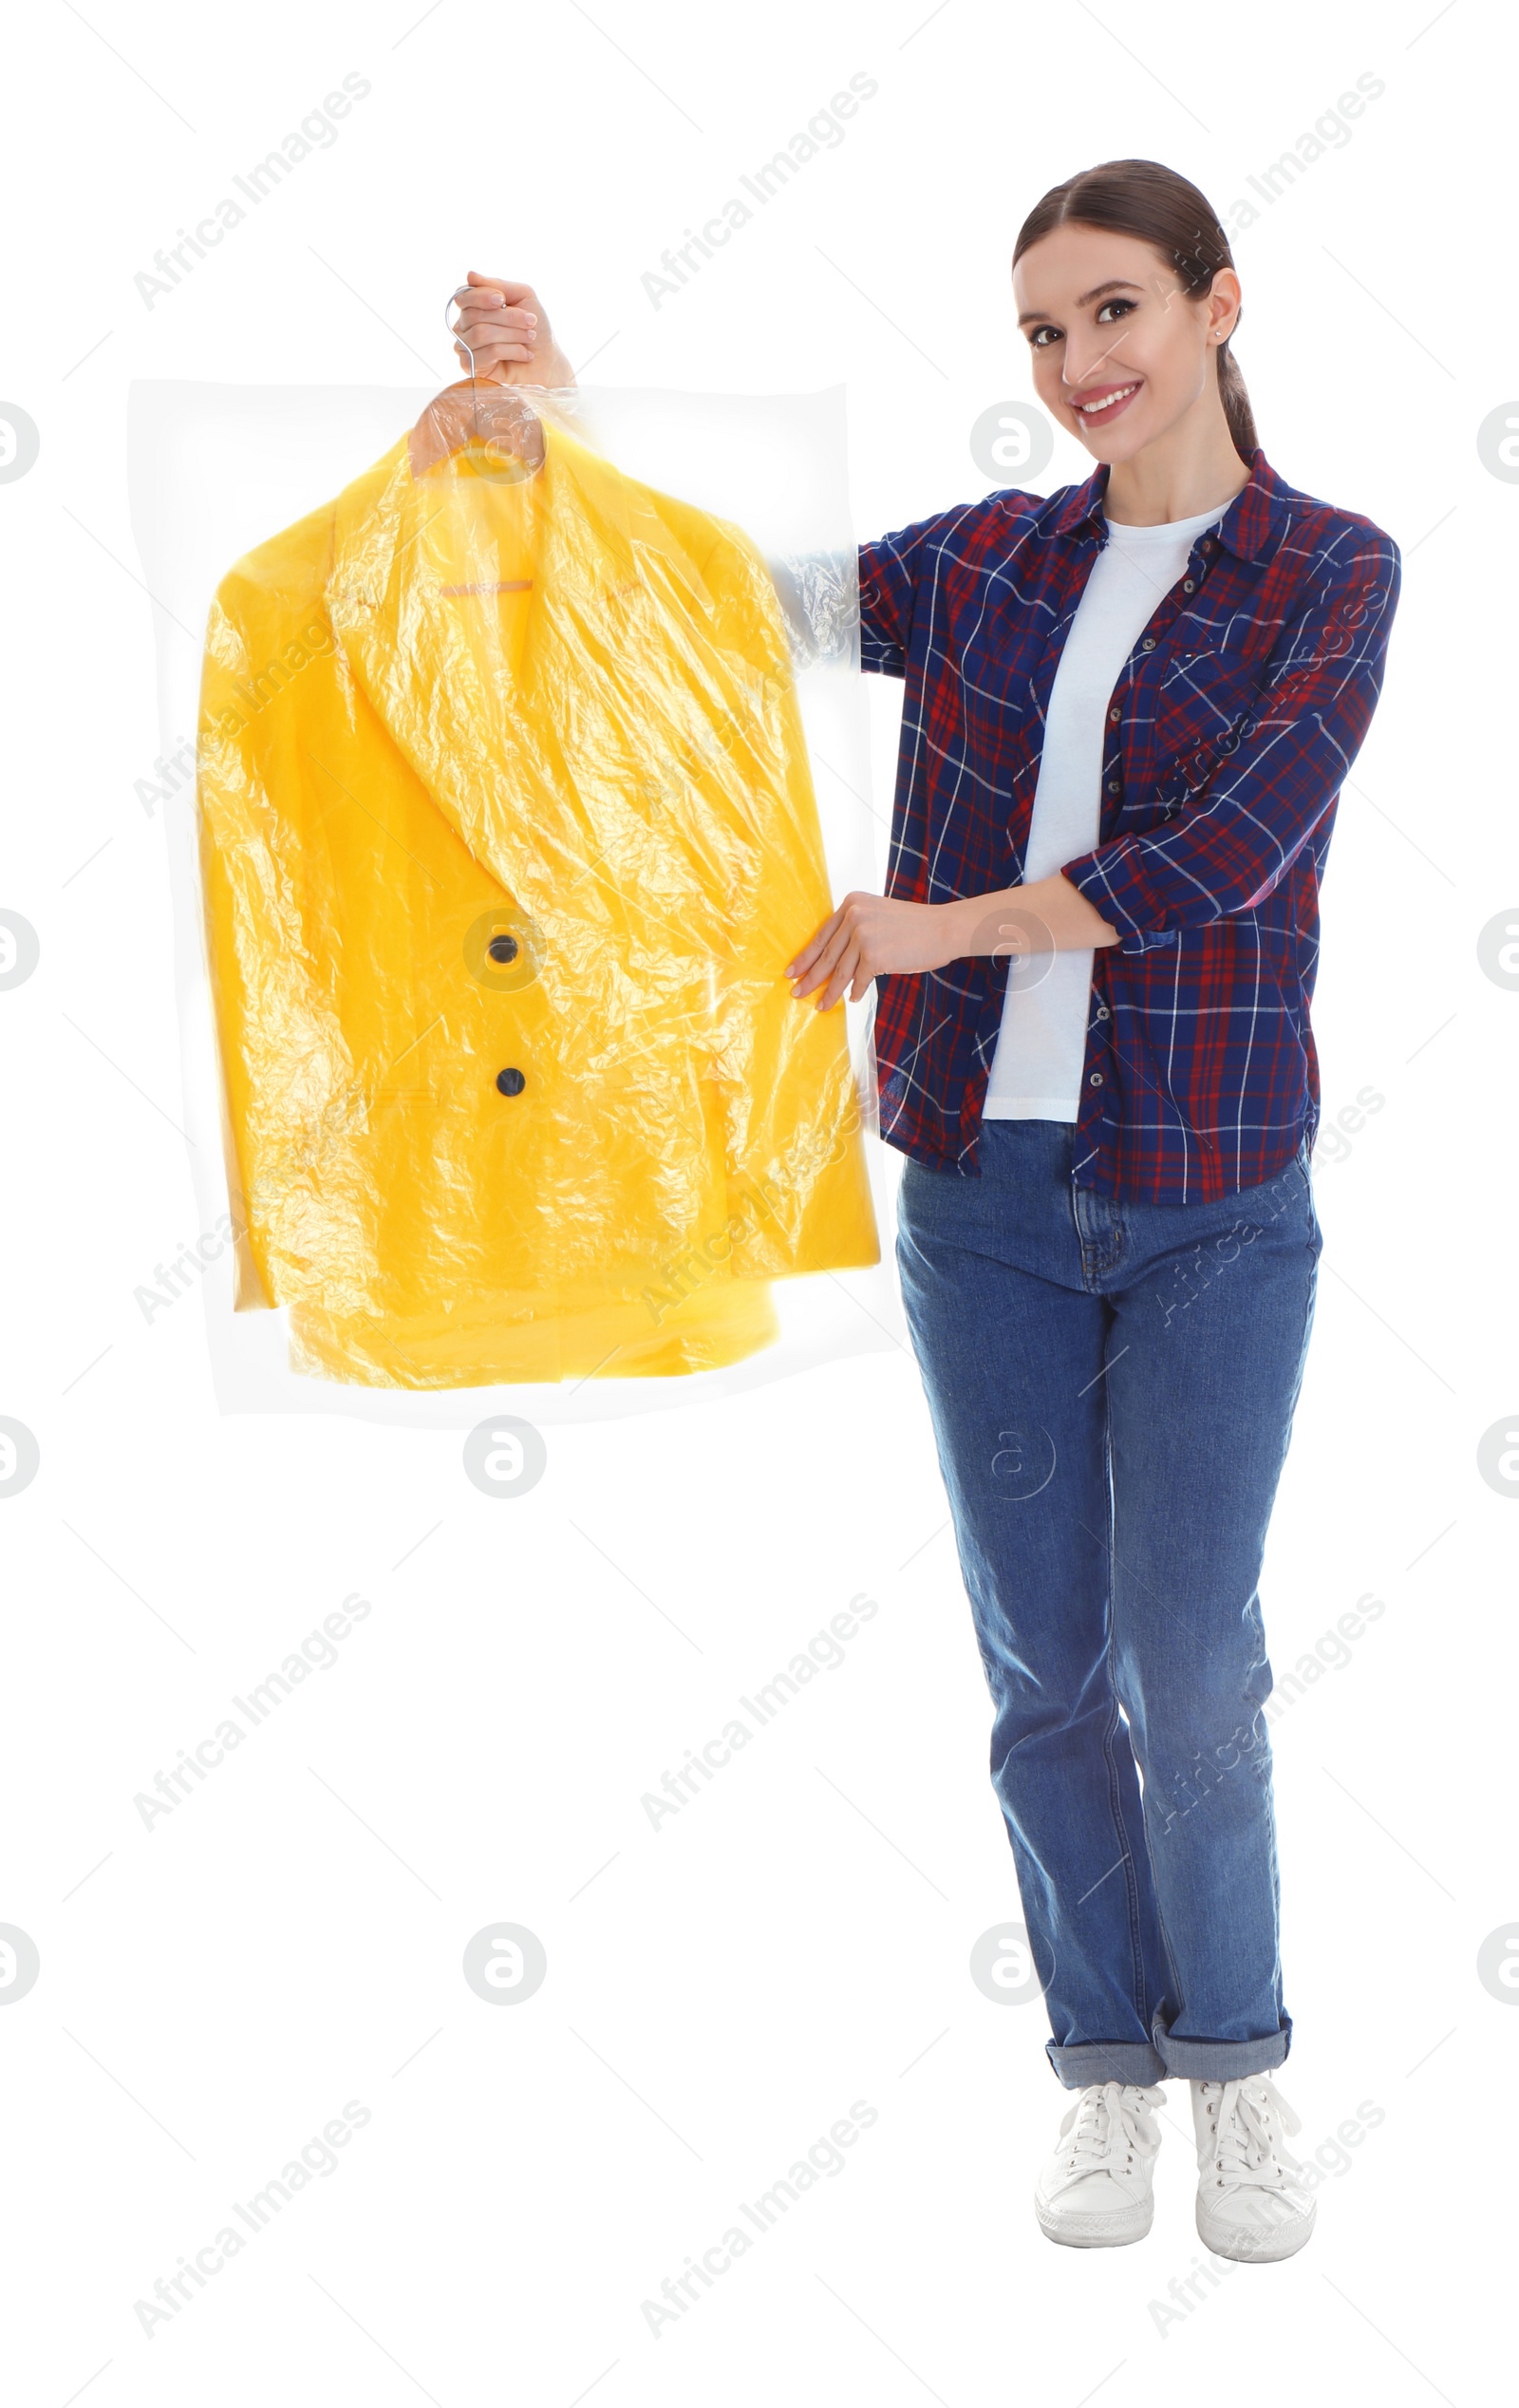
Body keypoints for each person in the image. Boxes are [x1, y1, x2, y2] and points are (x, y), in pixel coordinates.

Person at [447, 157, 1400, 2264]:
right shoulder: (987, 564)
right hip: (978, 1194)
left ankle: (1233, 2067)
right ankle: (1098, 2073)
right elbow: (736, 601)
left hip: (1211, 1201)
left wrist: (929, 927)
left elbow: (1225, 854)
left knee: (1191, 1656)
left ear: (1217, 306)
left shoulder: (1327, 570)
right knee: (1043, 1665)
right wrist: (567, 411)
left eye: (1117, 313)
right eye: (1045, 333)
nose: (1080, 364)